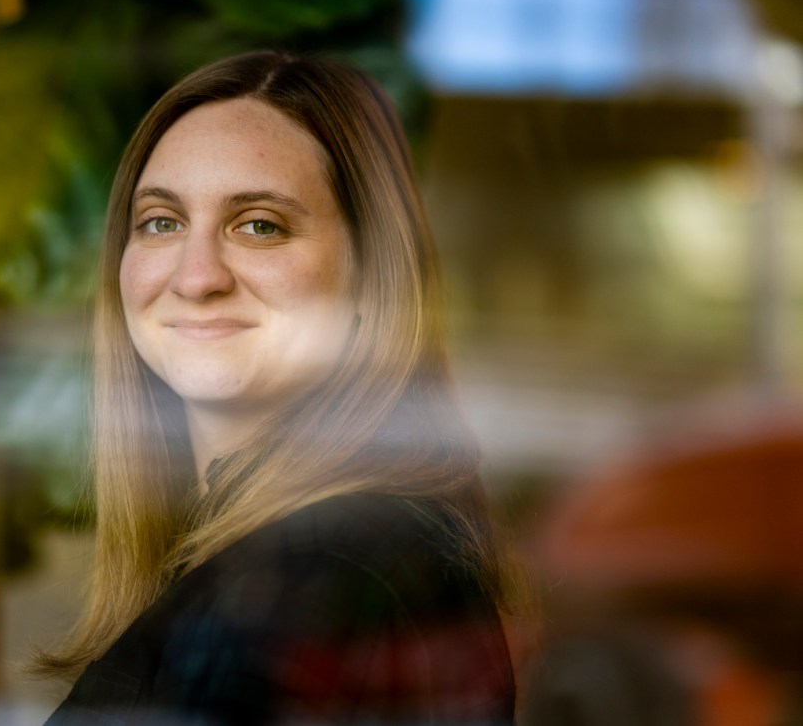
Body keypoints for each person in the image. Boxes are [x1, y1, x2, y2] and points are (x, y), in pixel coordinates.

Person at [39, 51, 517, 725]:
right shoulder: (291, 560)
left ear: (371, 278)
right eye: (161, 222)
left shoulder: (325, 566)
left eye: (260, 225)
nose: (196, 277)